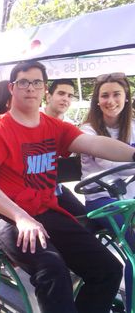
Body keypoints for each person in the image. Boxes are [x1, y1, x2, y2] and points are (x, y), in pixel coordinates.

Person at [0, 61, 135, 313]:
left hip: (44, 210)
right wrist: (22, 218)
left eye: (36, 82)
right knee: (53, 269)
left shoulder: (53, 127)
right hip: (3, 214)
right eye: (23, 82)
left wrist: (133, 155)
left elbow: (96, 145)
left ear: (44, 89)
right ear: (12, 88)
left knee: (108, 269)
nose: (30, 88)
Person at [80, 72, 135, 311]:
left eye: (116, 94)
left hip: (130, 200)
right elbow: (110, 166)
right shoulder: (88, 130)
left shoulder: (132, 127)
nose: (110, 101)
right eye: (105, 95)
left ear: (126, 98)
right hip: (101, 201)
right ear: (97, 100)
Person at [43, 79, 86, 217]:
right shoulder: (32, 118)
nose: (65, 99)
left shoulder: (69, 126)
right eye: (61, 93)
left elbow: (86, 146)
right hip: (32, 192)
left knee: (87, 219)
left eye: (69, 96)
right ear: (48, 96)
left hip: (56, 188)